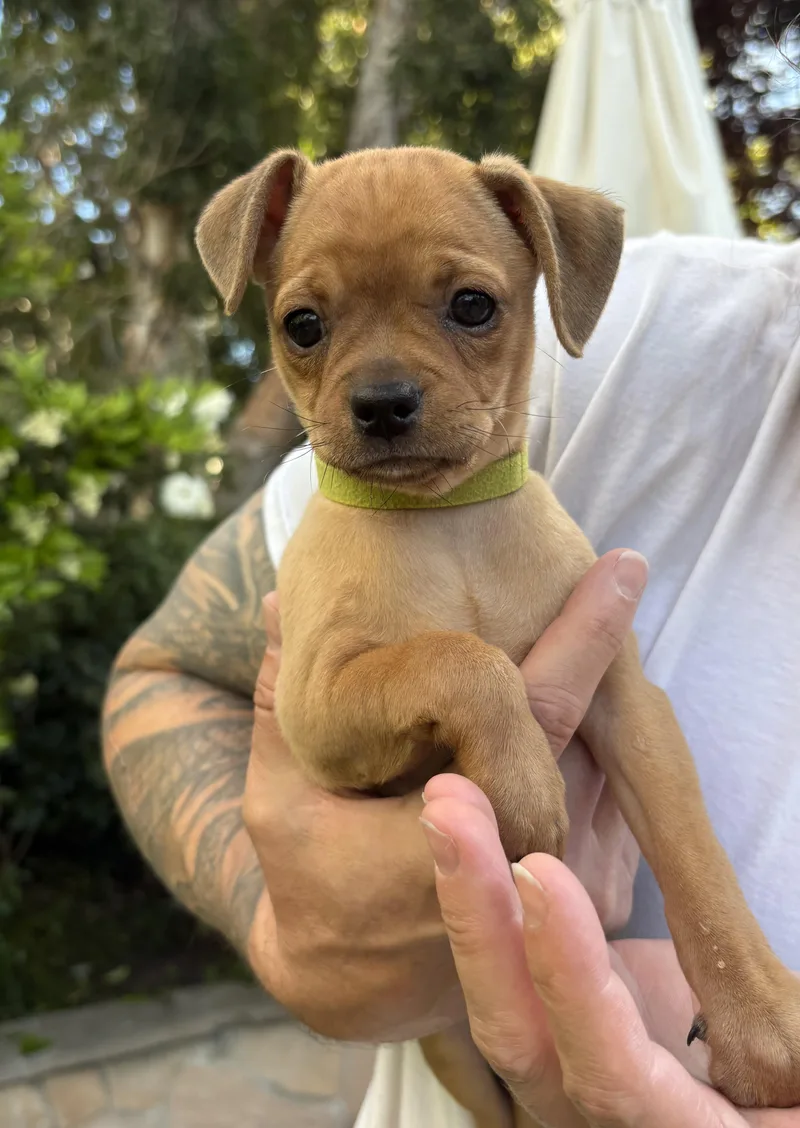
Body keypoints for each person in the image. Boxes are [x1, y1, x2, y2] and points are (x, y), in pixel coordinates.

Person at [102, 230, 800, 1126]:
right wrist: (290, 927)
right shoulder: (647, 336)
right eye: (309, 327)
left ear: (548, 279)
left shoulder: (542, 516)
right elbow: (194, 673)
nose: (384, 385)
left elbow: (634, 721)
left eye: (468, 310)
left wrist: (741, 987)